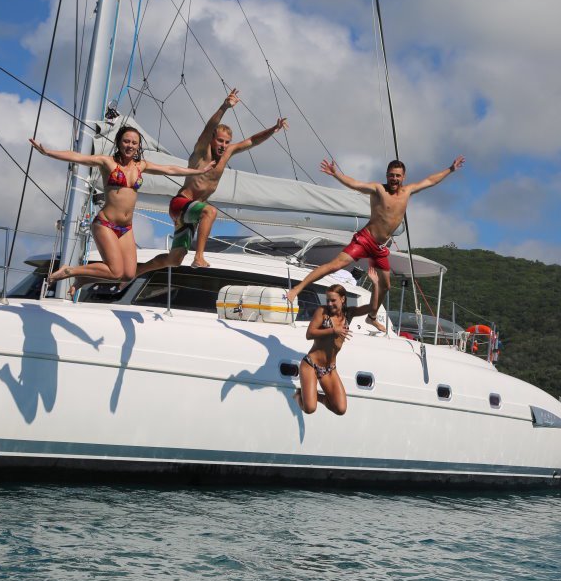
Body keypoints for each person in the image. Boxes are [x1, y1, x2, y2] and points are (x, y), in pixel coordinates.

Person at [286, 155, 465, 331]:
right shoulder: (378, 189)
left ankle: (371, 318)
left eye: (397, 175)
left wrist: (450, 169)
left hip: (380, 247)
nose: (394, 179)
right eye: (391, 175)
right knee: (335, 265)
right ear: (386, 175)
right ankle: (298, 288)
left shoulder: (408, 191)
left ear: (403, 177)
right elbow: (355, 183)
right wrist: (336, 174)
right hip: (365, 239)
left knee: (386, 285)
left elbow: (430, 180)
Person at [29, 126, 215, 288]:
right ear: (119, 142)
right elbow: (78, 157)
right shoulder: (107, 162)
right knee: (116, 271)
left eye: (134, 143)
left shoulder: (140, 166)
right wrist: (49, 152)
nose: (130, 146)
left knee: (128, 274)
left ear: (138, 146)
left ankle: (84, 279)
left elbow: (170, 169)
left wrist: (198, 171)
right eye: (126, 141)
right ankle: (70, 271)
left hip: (126, 228)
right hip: (105, 224)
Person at [136, 88, 287, 272]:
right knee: (210, 212)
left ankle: (137, 271)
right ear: (212, 140)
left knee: (175, 259)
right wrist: (224, 107)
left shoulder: (228, 152)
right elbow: (208, 128)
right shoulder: (202, 151)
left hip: (192, 213)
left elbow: (251, 141)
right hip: (181, 204)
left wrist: (273, 129)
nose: (223, 145)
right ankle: (199, 257)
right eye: (220, 141)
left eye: (227, 142)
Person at [294, 268, 381, 416]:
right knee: (309, 409)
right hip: (311, 365)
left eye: (333, 300)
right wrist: (333, 331)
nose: (329, 303)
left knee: (340, 409)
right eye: (328, 300)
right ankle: (298, 395)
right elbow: (309, 334)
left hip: (329, 369)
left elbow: (373, 307)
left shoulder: (349, 314)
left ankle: (316, 397)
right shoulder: (323, 312)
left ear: (342, 299)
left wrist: (376, 284)